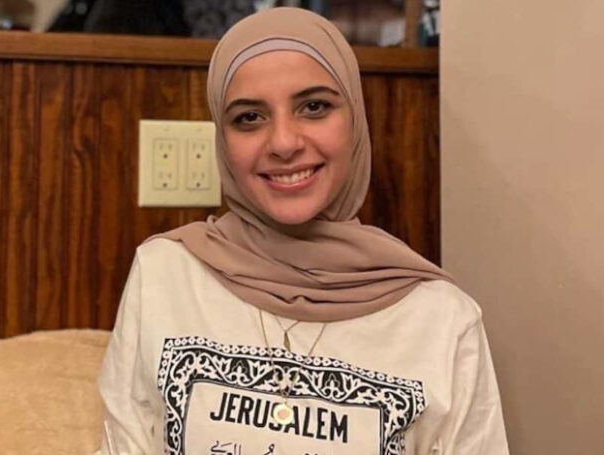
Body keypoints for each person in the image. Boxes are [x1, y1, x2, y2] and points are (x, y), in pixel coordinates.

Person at [95, 7, 509, 455]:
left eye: (314, 107)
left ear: (355, 121)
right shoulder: (164, 275)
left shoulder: (442, 320)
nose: (284, 143)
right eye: (249, 117)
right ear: (223, 140)